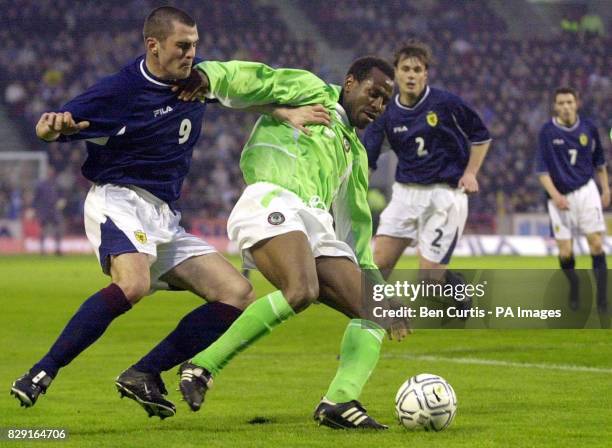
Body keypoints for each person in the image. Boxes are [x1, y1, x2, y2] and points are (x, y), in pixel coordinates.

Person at [10, 6, 329, 419]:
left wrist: (279, 111)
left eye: (195, 45)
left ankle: (144, 372)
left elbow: (228, 97)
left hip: (164, 216)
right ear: (153, 45)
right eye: (182, 45)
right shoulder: (122, 89)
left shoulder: (193, 82)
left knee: (237, 293)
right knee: (133, 284)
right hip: (119, 199)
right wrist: (51, 128)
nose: (191, 53)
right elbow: (52, 125)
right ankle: (41, 371)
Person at [174, 56, 409, 430]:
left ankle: (340, 400)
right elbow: (258, 78)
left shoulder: (355, 152)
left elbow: (356, 233)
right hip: (272, 199)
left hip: (315, 221)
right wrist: (207, 75)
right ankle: (203, 366)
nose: (378, 105)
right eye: (373, 93)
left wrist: (380, 292)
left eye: (385, 100)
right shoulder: (311, 91)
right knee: (301, 289)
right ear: (350, 83)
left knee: (375, 312)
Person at [363, 41, 491, 298]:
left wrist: (470, 173)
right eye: (405, 69)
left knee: (430, 284)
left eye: (417, 69)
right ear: (396, 73)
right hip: (404, 195)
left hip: (444, 196)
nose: (411, 75)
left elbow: (481, 136)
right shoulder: (386, 113)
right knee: (378, 267)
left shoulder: (446, 103)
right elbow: (368, 160)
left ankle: (458, 292)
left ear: (425, 74)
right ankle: (371, 323)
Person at [536, 86, 609, 312]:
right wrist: (556, 196)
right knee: (565, 252)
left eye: (569, 102)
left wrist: (605, 189)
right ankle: (575, 286)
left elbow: (600, 162)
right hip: (559, 196)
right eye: (561, 103)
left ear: (577, 103)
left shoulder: (589, 128)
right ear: (555, 106)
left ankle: (602, 299)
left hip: (586, 191)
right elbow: (541, 170)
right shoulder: (547, 132)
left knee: (595, 243)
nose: (566, 107)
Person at [32, 167, 65, 255]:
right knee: (43, 229)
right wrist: (35, 209)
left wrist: (62, 201)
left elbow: (62, 196)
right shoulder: (41, 185)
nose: (50, 174)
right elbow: (36, 198)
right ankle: (42, 250)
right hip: (44, 210)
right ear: (47, 173)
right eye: (49, 172)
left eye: (51, 172)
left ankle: (58, 249)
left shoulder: (57, 184)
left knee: (57, 228)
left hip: (54, 209)